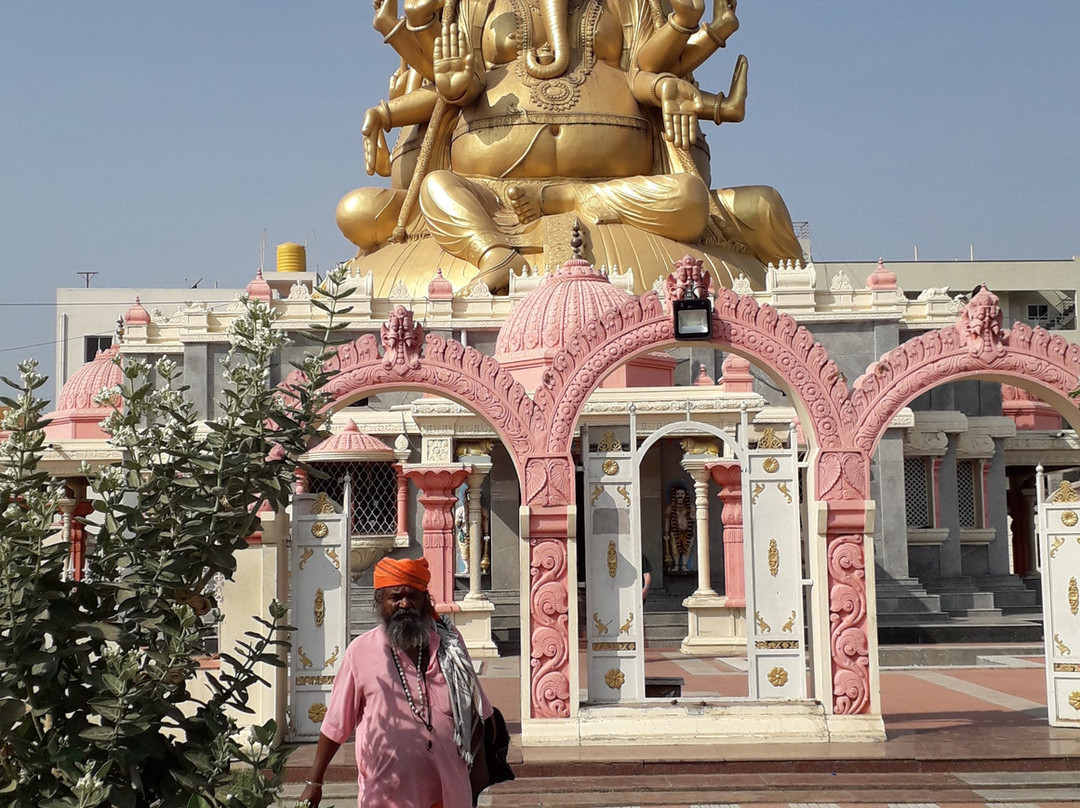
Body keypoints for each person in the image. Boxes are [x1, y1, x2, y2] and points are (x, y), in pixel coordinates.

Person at [298, 556, 492, 808]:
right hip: (386, 795)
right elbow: (335, 724)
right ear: (380, 602)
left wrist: (479, 772)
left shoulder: (449, 646)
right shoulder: (360, 652)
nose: (404, 604)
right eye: (395, 597)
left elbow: (473, 713)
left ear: (426, 601)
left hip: (449, 792)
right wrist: (314, 783)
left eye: (412, 596)